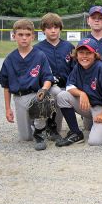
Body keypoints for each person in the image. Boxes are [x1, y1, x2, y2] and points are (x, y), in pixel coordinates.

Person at [0, 19, 53, 151]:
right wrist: (7, 109)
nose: (24, 38)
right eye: (20, 34)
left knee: (43, 100)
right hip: (19, 97)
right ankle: (36, 124)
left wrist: (44, 89)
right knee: (26, 137)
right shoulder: (10, 59)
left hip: (35, 95)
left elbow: (48, 78)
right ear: (14, 36)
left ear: (33, 36)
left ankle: (40, 132)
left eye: (28, 35)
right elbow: (6, 86)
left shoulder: (40, 55)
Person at [56, 38, 102, 147]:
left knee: (95, 141)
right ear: (76, 54)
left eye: (88, 53)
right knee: (62, 96)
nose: (84, 56)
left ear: (95, 55)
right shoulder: (78, 67)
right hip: (89, 104)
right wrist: (82, 94)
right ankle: (76, 132)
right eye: (81, 52)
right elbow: (69, 87)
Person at [34, 13, 75, 141]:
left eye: (56, 27)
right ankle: (43, 125)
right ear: (43, 30)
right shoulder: (37, 49)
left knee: (58, 128)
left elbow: (75, 70)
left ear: (60, 29)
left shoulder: (69, 46)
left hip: (66, 87)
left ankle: (52, 126)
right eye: (49, 27)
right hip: (47, 88)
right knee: (55, 92)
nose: (53, 30)